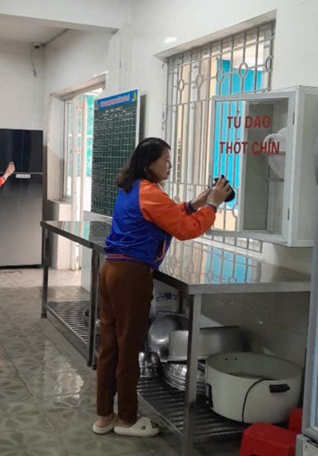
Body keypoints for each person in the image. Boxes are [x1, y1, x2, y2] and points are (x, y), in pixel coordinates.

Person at [93, 137, 234, 437]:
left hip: (111, 270)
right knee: (129, 348)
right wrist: (213, 205)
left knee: (110, 346)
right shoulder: (150, 192)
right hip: (131, 277)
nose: (170, 165)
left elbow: (167, 214)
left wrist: (196, 203)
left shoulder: (132, 188)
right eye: (166, 160)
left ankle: (104, 416)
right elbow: (185, 229)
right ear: (150, 164)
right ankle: (127, 419)